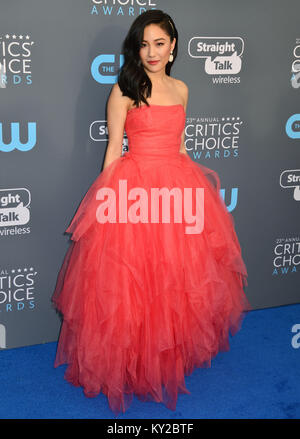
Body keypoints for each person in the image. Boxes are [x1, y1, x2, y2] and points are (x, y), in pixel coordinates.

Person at [52, 9, 252, 416]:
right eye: (144, 44)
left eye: (159, 43)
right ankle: (133, 361)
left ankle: (167, 356)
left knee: (177, 278)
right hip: (134, 191)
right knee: (132, 281)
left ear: (173, 45)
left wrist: (198, 192)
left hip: (178, 186)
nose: (151, 52)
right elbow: (112, 150)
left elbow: (179, 147)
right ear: (136, 47)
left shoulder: (181, 89)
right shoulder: (125, 89)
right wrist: (103, 205)